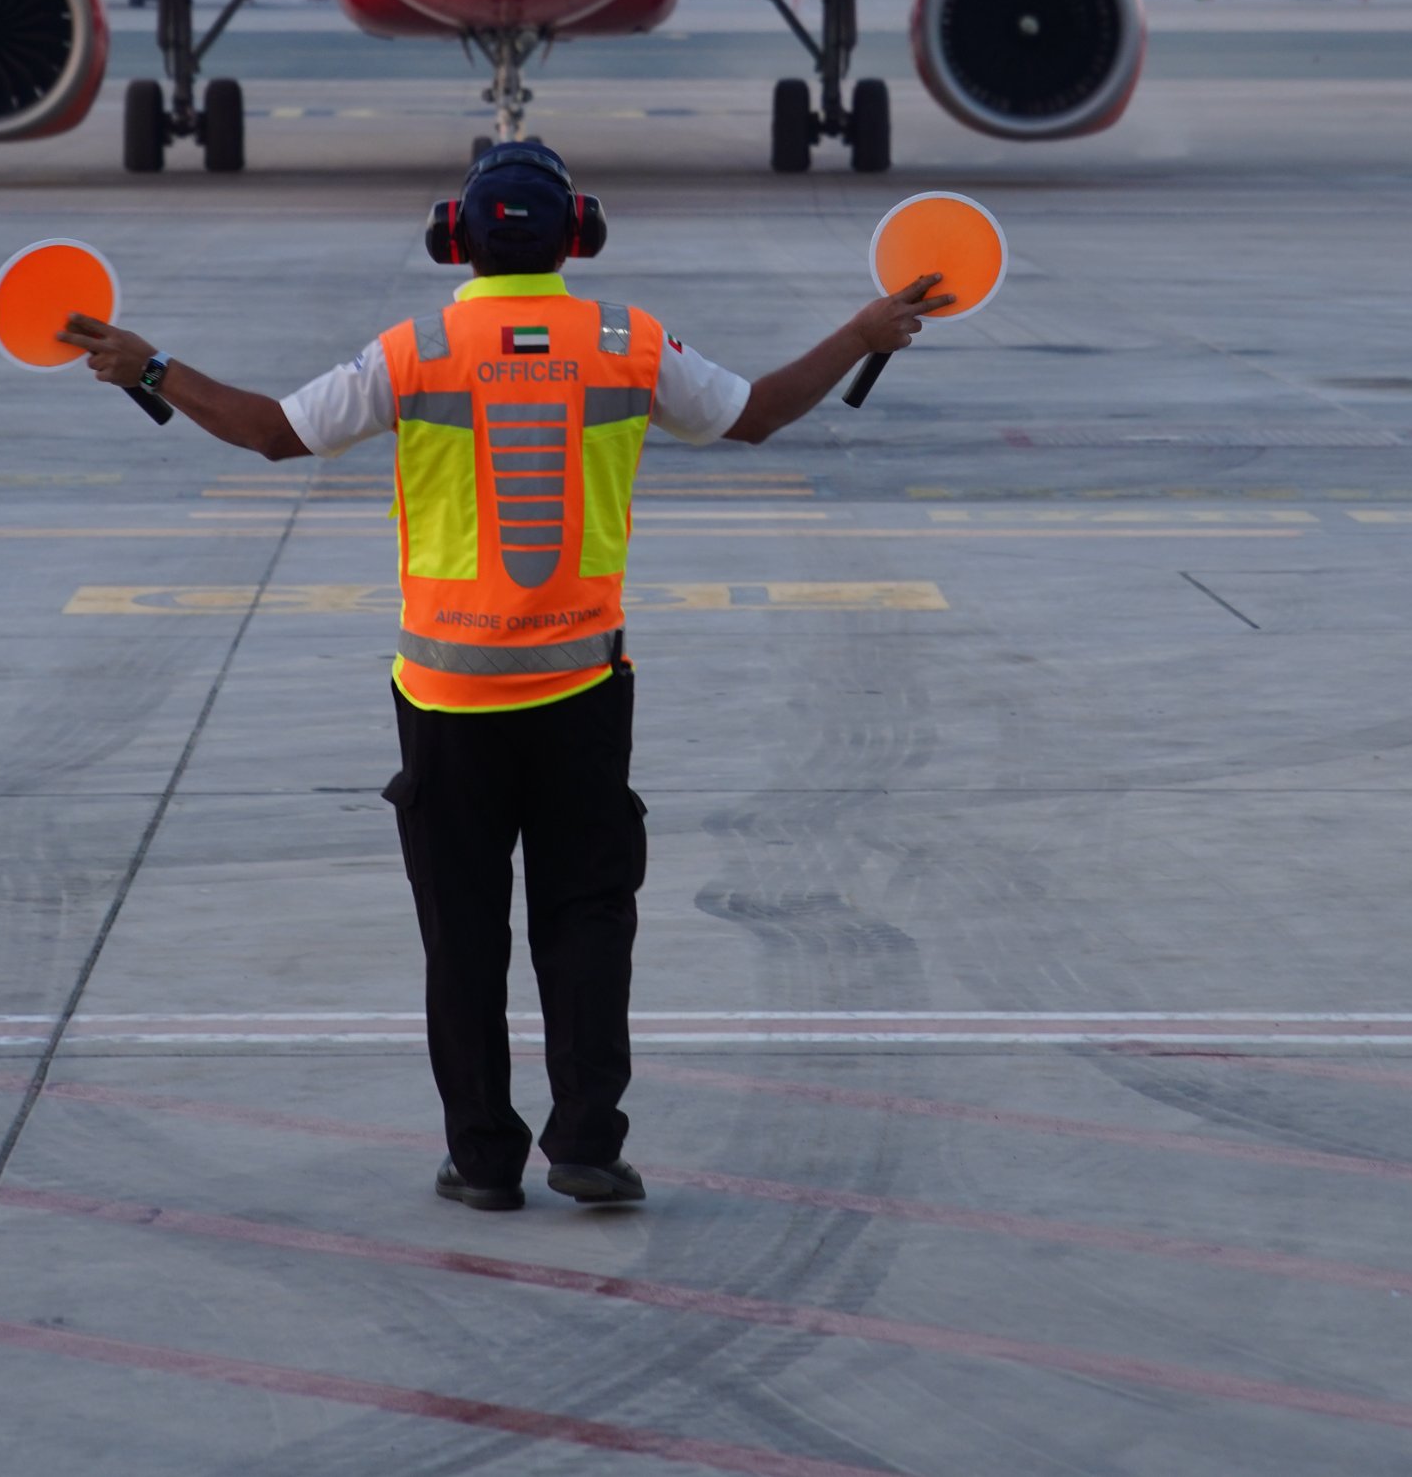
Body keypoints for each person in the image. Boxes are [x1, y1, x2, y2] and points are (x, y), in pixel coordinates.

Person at [62, 137, 939, 1212]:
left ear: (453, 239)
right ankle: (585, 1141)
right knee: (586, 916)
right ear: (579, 234)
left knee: (463, 934)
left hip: (447, 699)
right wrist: (860, 329)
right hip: (579, 692)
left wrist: (147, 366)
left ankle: (482, 1160)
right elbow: (752, 413)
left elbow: (270, 433)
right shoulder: (627, 340)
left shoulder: (415, 348)